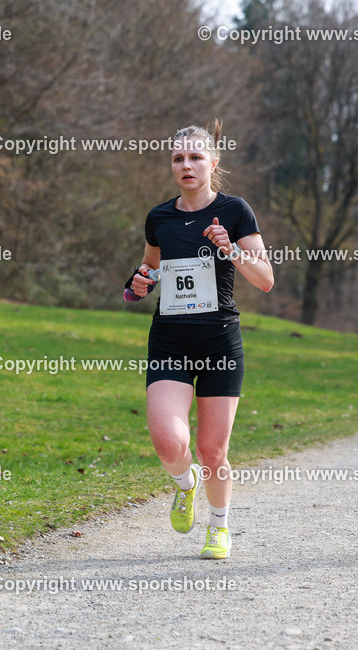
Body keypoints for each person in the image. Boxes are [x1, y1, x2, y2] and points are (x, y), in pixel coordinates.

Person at [125, 121, 273, 559]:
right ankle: (185, 484)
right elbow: (148, 271)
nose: (186, 165)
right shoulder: (159, 217)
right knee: (168, 442)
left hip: (219, 344)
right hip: (169, 339)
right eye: (177, 158)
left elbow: (265, 279)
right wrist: (138, 285)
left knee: (212, 449)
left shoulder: (235, 211)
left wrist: (231, 249)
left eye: (195, 157)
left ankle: (219, 525)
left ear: (213, 162)